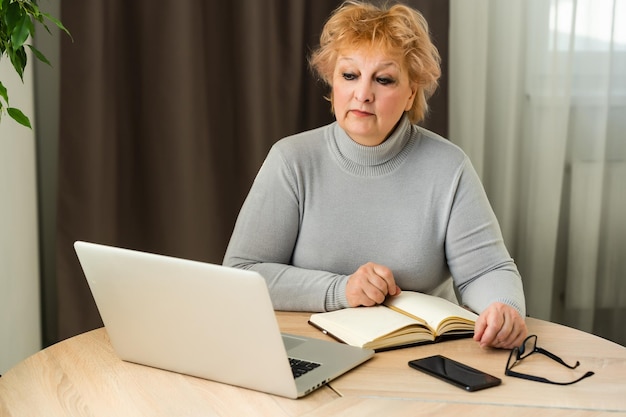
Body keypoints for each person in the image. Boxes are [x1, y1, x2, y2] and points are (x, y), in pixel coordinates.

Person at [224, 0, 527, 349]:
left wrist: (502, 307)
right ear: (332, 81)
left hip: (422, 357)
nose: (363, 94)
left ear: (411, 91)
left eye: (383, 79)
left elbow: (487, 270)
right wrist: (341, 290)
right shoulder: (291, 160)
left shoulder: (449, 166)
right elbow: (244, 271)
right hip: (310, 349)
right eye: (349, 75)